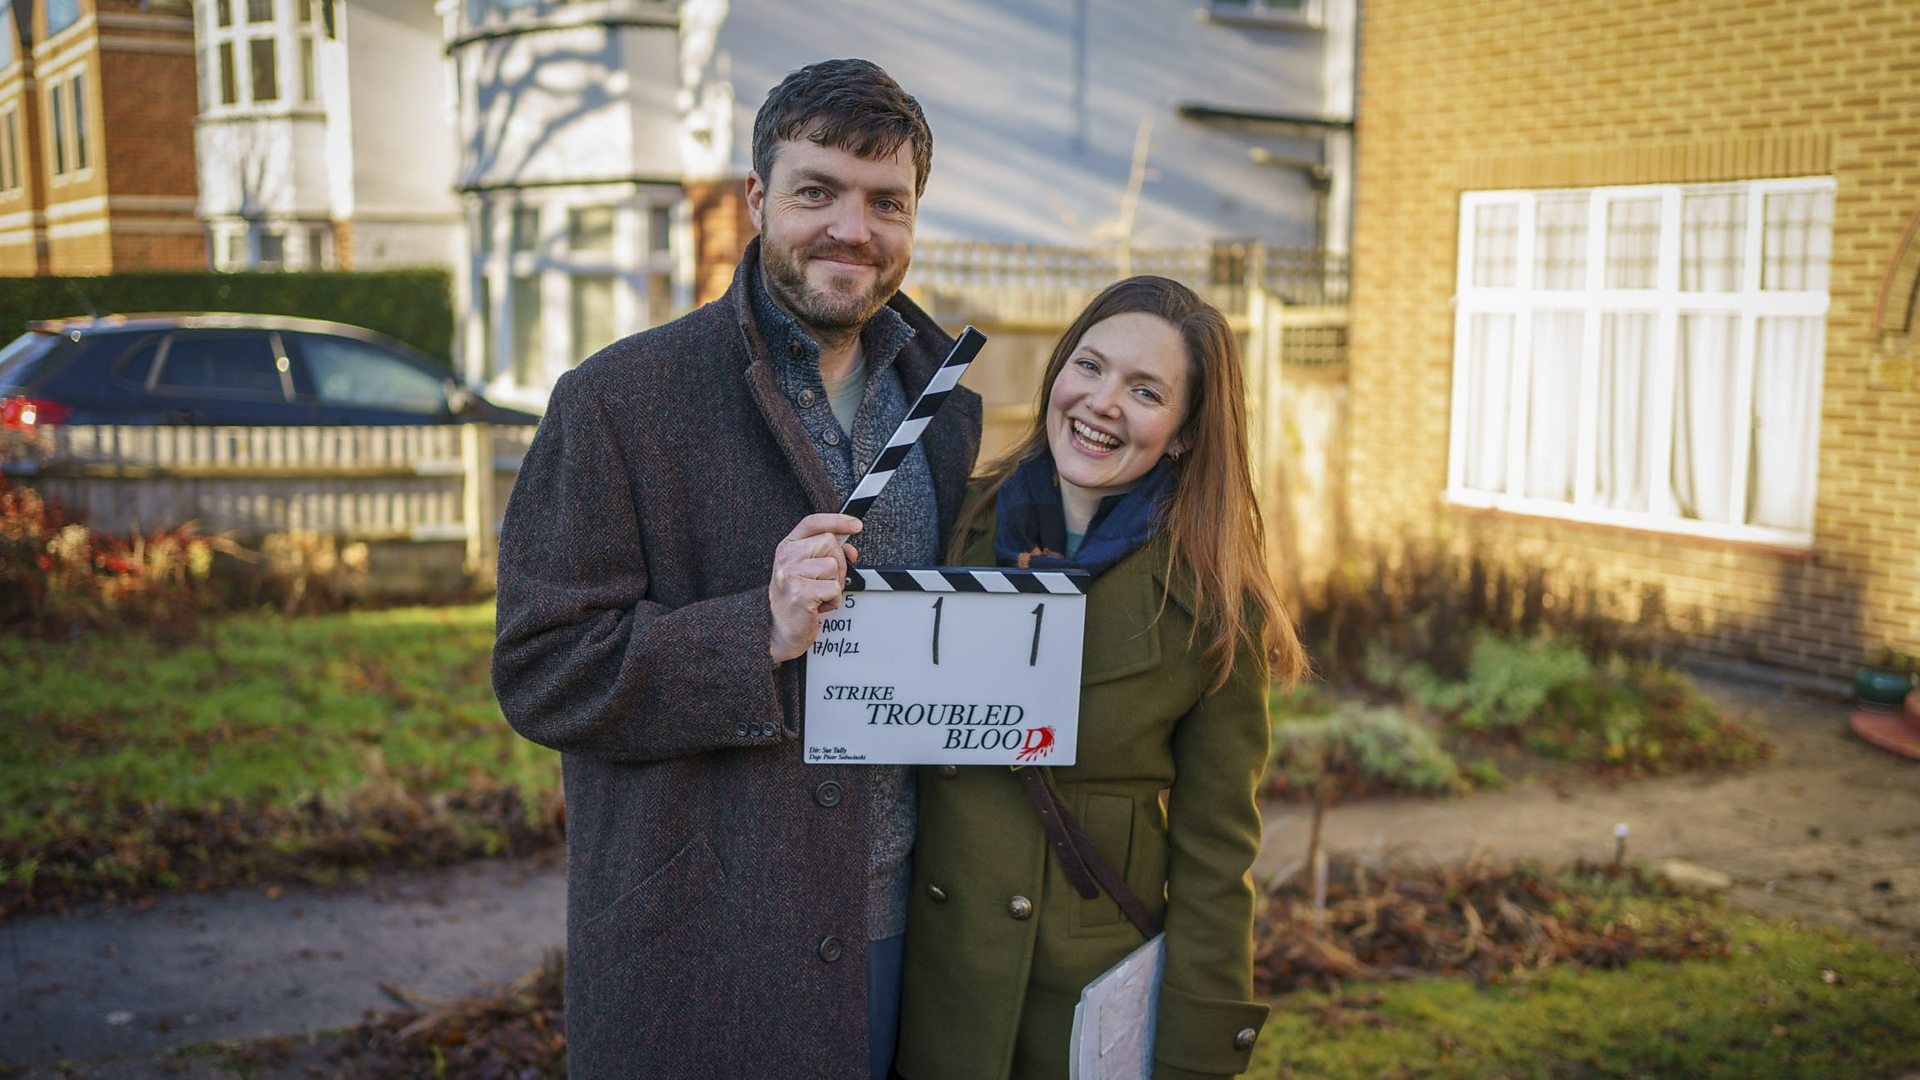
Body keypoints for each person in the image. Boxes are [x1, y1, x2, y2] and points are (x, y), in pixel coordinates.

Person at [491, 59, 981, 1079]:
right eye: (818, 192)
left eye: (886, 201)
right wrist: (751, 633)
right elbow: (544, 670)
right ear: (758, 200)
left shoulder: (947, 406)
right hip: (704, 953)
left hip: (903, 930)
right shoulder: (619, 401)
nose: (853, 227)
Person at [895, 276, 1307, 1080]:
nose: (1103, 401)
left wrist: (1196, 1057)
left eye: (1146, 390)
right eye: (1090, 366)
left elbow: (1216, 860)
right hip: (931, 986)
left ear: (1185, 433)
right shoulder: (948, 528)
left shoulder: (1216, 610)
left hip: (1079, 1009)